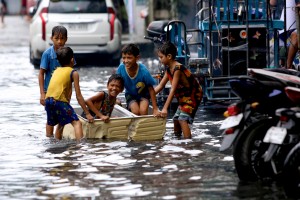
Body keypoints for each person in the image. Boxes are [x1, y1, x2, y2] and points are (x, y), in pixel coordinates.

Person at [154, 42, 203, 139]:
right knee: (176, 119)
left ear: (169, 56)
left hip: (192, 96)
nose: (160, 60)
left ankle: (188, 143)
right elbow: (160, 86)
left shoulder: (177, 69)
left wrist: (165, 108)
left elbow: (173, 90)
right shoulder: (169, 70)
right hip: (183, 98)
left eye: (161, 57)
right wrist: (147, 95)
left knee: (182, 119)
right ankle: (178, 140)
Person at [45, 47, 93, 141]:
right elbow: (78, 96)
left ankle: (55, 144)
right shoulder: (73, 72)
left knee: (61, 123)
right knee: (77, 123)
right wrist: (87, 113)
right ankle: (80, 146)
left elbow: (60, 89)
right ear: (72, 59)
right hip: (59, 101)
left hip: (48, 100)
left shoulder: (56, 70)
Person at [38, 25, 69, 138]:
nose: (60, 41)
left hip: (63, 92)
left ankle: (58, 139)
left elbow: (70, 73)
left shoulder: (68, 53)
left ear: (66, 39)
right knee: (50, 118)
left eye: (62, 38)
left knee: (63, 117)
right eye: (57, 38)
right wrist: (42, 93)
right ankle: (49, 139)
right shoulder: (47, 54)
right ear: (52, 38)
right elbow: (41, 73)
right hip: (50, 92)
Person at [116, 43, 160, 116]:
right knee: (135, 112)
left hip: (143, 94)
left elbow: (151, 89)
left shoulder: (143, 71)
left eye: (129, 58)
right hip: (130, 94)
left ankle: (143, 126)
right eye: (124, 58)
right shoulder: (121, 68)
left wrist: (155, 109)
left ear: (137, 58)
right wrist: (115, 99)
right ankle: (130, 109)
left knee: (143, 111)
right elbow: (116, 84)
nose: (126, 61)